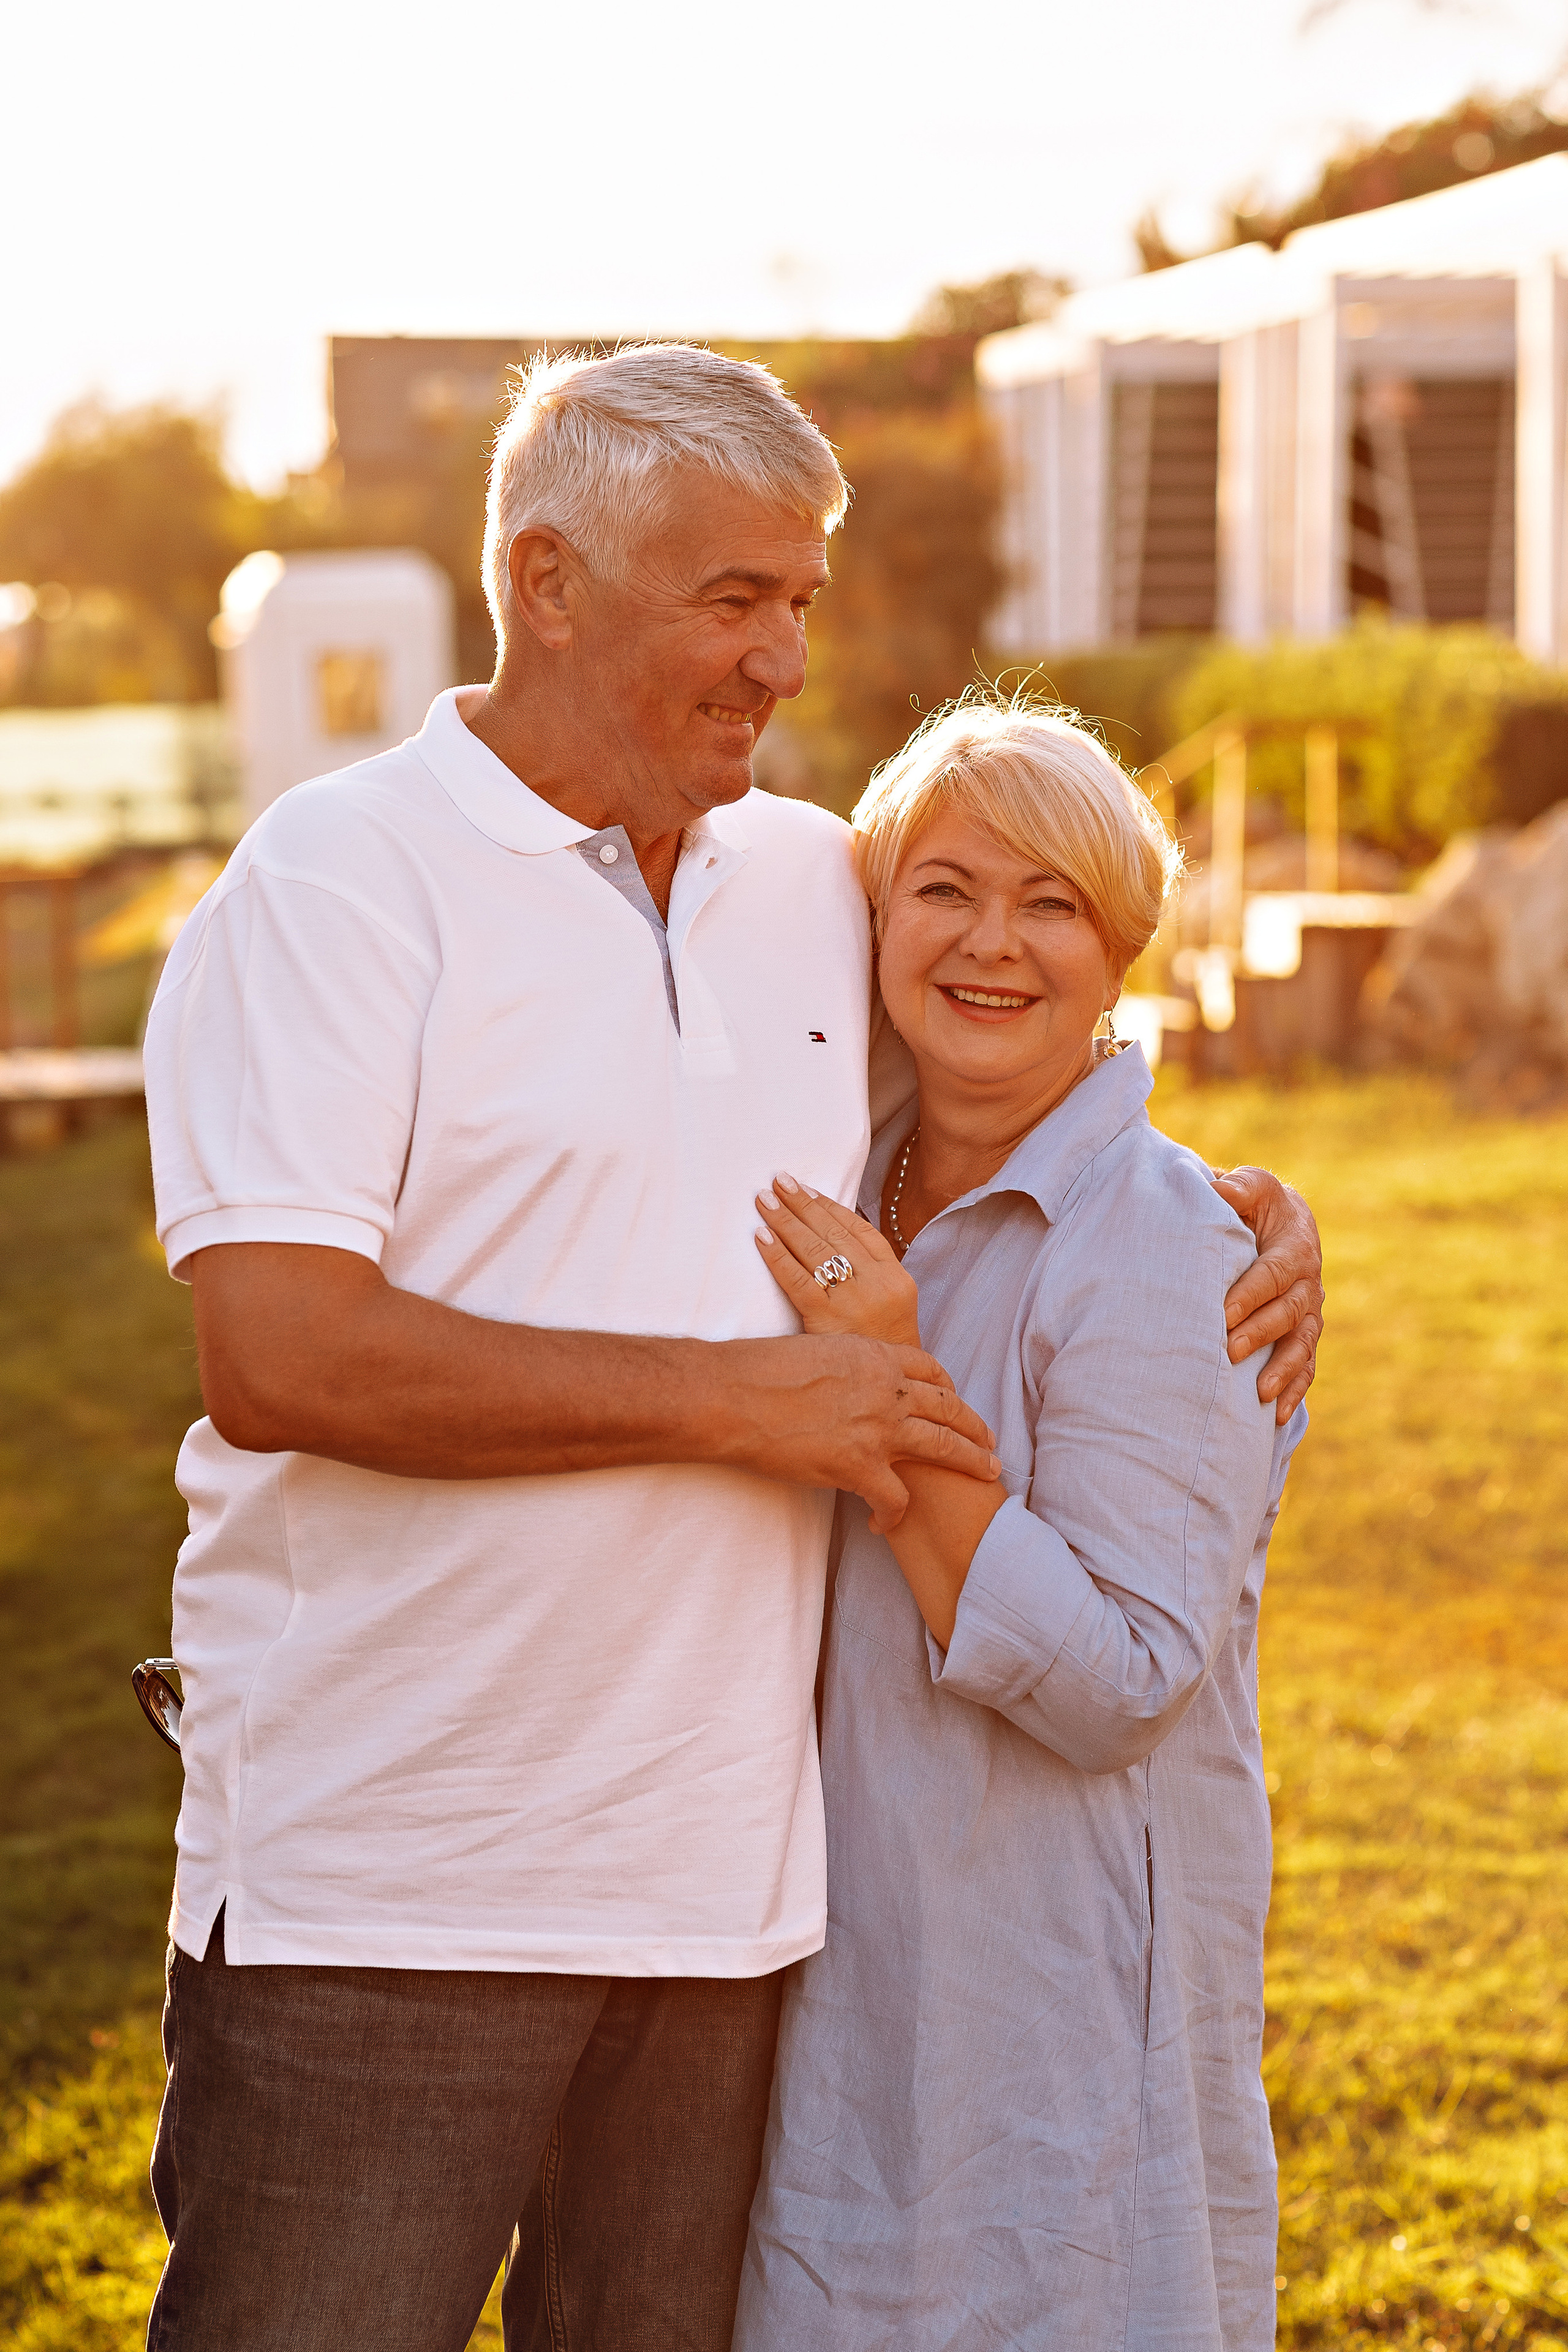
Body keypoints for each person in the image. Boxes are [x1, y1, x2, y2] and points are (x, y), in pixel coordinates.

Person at [140, 346, 1321, 2352]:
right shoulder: (340, 884)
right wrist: (736, 1403)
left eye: (803, 600)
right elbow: (280, 1351)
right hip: (391, 1893)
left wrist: (1245, 1210)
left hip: (736, 1916)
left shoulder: (803, 882)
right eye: (733, 600)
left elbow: (1013, 1031)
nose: (784, 659)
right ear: (550, 580)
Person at [736, 697, 1307, 2352]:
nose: (993, 943)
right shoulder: (844, 1177)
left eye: (1051, 904)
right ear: (880, 921)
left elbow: (1127, 1672)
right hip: (853, 1954)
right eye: (946, 890)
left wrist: (890, 1385)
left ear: (1120, 951)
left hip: (1049, 1981)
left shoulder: (1160, 1244)